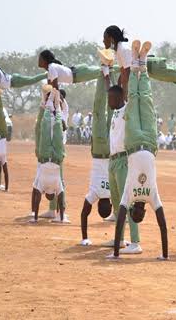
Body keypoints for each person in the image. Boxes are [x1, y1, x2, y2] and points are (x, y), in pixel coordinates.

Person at [107, 40, 168, 260]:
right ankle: (140, 63)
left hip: (135, 144)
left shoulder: (130, 194)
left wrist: (115, 254)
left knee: (137, 101)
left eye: (137, 212)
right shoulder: (152, 196)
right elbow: (162, 223)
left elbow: (121, 217)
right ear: (141, 212)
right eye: (140, 213)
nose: (139, 211)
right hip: (148, 143)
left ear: (135, 210)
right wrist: (165, 255)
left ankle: (137, 63)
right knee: (145, 102)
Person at [80, 50, 117, 246]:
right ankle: (105, 70)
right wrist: (85, 238)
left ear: (109, 204)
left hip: (111, 150)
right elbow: (84, 213)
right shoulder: (93, 193)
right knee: (99, 109)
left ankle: (109, 71)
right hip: (98, 149)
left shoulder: (113, 194)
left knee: (111, 109)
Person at [29, 87, 66, 223]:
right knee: (47, 126)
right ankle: (53, 102)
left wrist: (61, 216)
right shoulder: (45, 186)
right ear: (47, 194)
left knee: (56, 128)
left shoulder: (56, 187)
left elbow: (60, 199)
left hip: (55, 156)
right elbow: (37, 198)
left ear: (53, 195)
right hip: (47, 156)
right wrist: (35, 217)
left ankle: (54, 103)